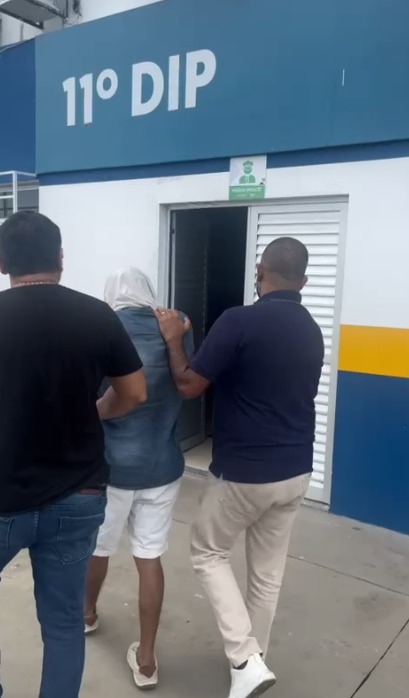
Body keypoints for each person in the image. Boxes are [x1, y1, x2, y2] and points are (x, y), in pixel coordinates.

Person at [155, 237, 324, 698]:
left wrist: (173, 339)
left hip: (246, 471)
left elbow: (189, 385)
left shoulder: (239, 321)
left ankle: (245, 660)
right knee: (266, 575)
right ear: (304, 281)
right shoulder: (312, 329)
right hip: (296, 471)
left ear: (258, 272)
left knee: (208, 552)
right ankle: (251, 664)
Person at [0, 213, 146, 698]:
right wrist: (97, 411)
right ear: (61, 258)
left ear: (2, 262)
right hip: (77, 495)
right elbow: (134, 393)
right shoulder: (96, 315)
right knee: (64, 624)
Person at [84, 267, 193, 690]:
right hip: (162, 466)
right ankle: (147, 661)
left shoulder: (101, 328)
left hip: (111, 468)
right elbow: (184, 380)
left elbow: (91, 396)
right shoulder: (176, 327)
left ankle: (87, 614)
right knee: (149, 557)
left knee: (99, 547)